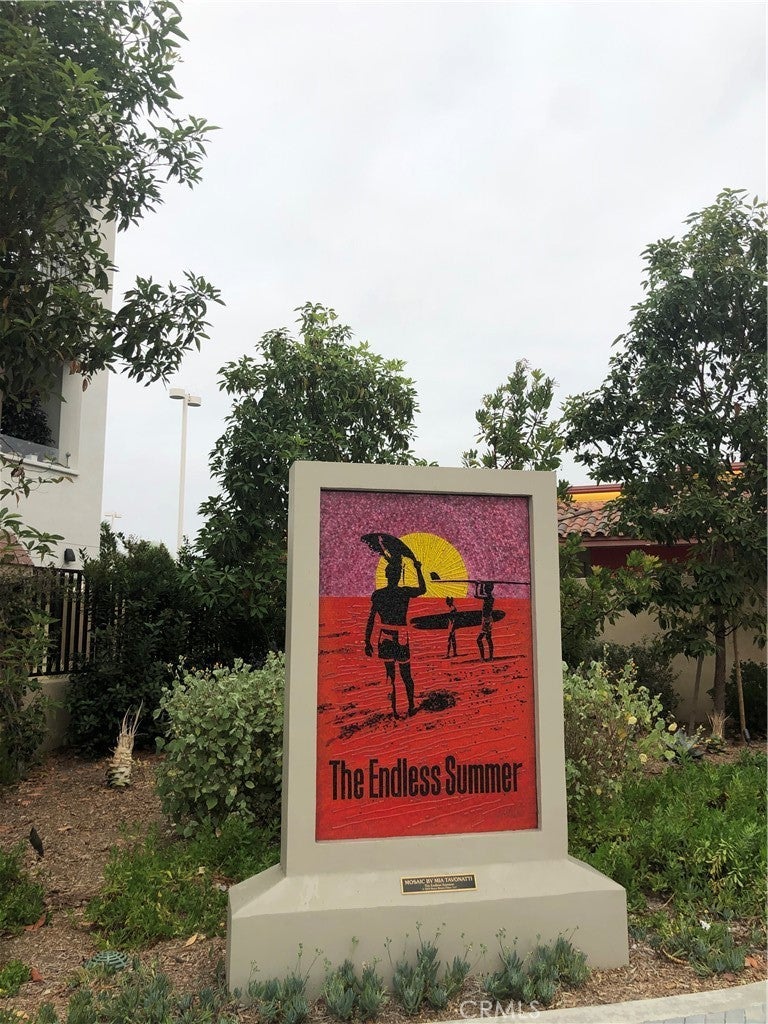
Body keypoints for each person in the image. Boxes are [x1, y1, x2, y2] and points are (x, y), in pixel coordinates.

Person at [364, 552, 426, 719]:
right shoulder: (404, 592)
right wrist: (418, 569)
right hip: (401, 637)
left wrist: (367, 641)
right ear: (398, 576)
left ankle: (394, 711)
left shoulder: (378, 595)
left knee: (391, 677)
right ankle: (411, 707)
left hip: (385, 637)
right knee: (406, 675)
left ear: (386, 575)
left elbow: (371, 619)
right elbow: (422, 589)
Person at [475, 581, 495, 661]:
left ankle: (483, 658)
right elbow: (481, 593)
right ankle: (491, 657)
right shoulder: (490, 596)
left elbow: (476, 595)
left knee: (479, 639)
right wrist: (481, 584)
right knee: (488, 638)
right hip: (488, 619)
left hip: (487, 620)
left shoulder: (487, 597)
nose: (484, 589)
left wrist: (477, 585)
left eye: (485, 587)